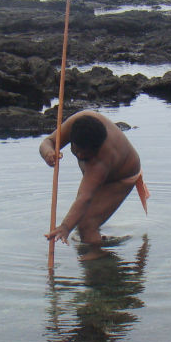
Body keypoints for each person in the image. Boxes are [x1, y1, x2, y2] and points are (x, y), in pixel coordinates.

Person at [40, 110, 149, 260]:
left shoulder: (100, 160)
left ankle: (99, 260)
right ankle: (95, 242)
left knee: (86, 224)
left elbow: (84, 198)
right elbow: (48, 142)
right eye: (77, 151)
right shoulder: (77, 123)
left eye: (87, 155)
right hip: (107, 169)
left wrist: (65, 227)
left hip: (122, 177)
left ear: (97, 148)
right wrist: (48, 153)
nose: (81, 157)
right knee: (83, 220)